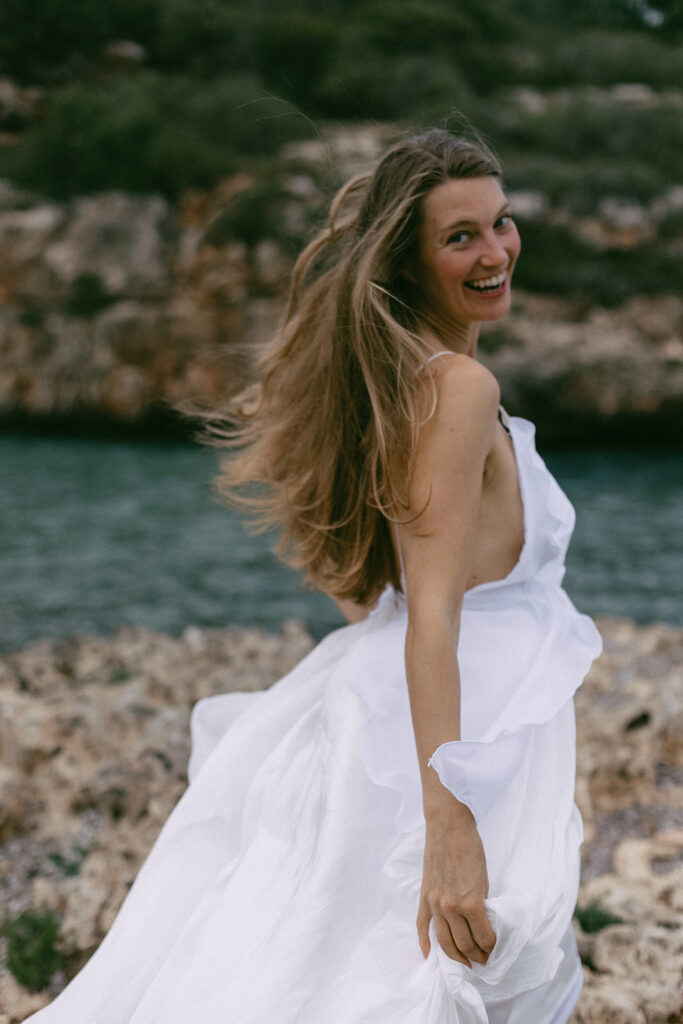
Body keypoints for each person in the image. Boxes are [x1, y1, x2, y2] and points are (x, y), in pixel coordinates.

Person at [26, 129, 602, 1023]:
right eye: (459, 237)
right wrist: (449, 826)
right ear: (408, 260)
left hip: (404, 715)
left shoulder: (396, 381)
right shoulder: (456, 390)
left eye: (499, 222)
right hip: (460, 733)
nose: (494, 253)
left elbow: (369, 590)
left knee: (320, 971)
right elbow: (432, 620)